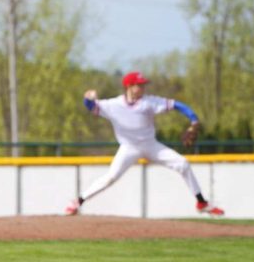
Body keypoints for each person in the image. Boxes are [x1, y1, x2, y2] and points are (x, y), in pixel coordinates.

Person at [64, 71, 224, 217]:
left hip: (150, 145)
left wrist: (193, 119)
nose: (142, 87)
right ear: (129, 86)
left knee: (183, 164)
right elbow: (91, 106)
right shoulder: (114, 105)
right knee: (111, 177)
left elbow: (177, 105)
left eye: (143, 84)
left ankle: (202, 202)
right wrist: (88, 97)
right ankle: (78, 201)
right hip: (128, 148)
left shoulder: (149, 102)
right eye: (139, 85)